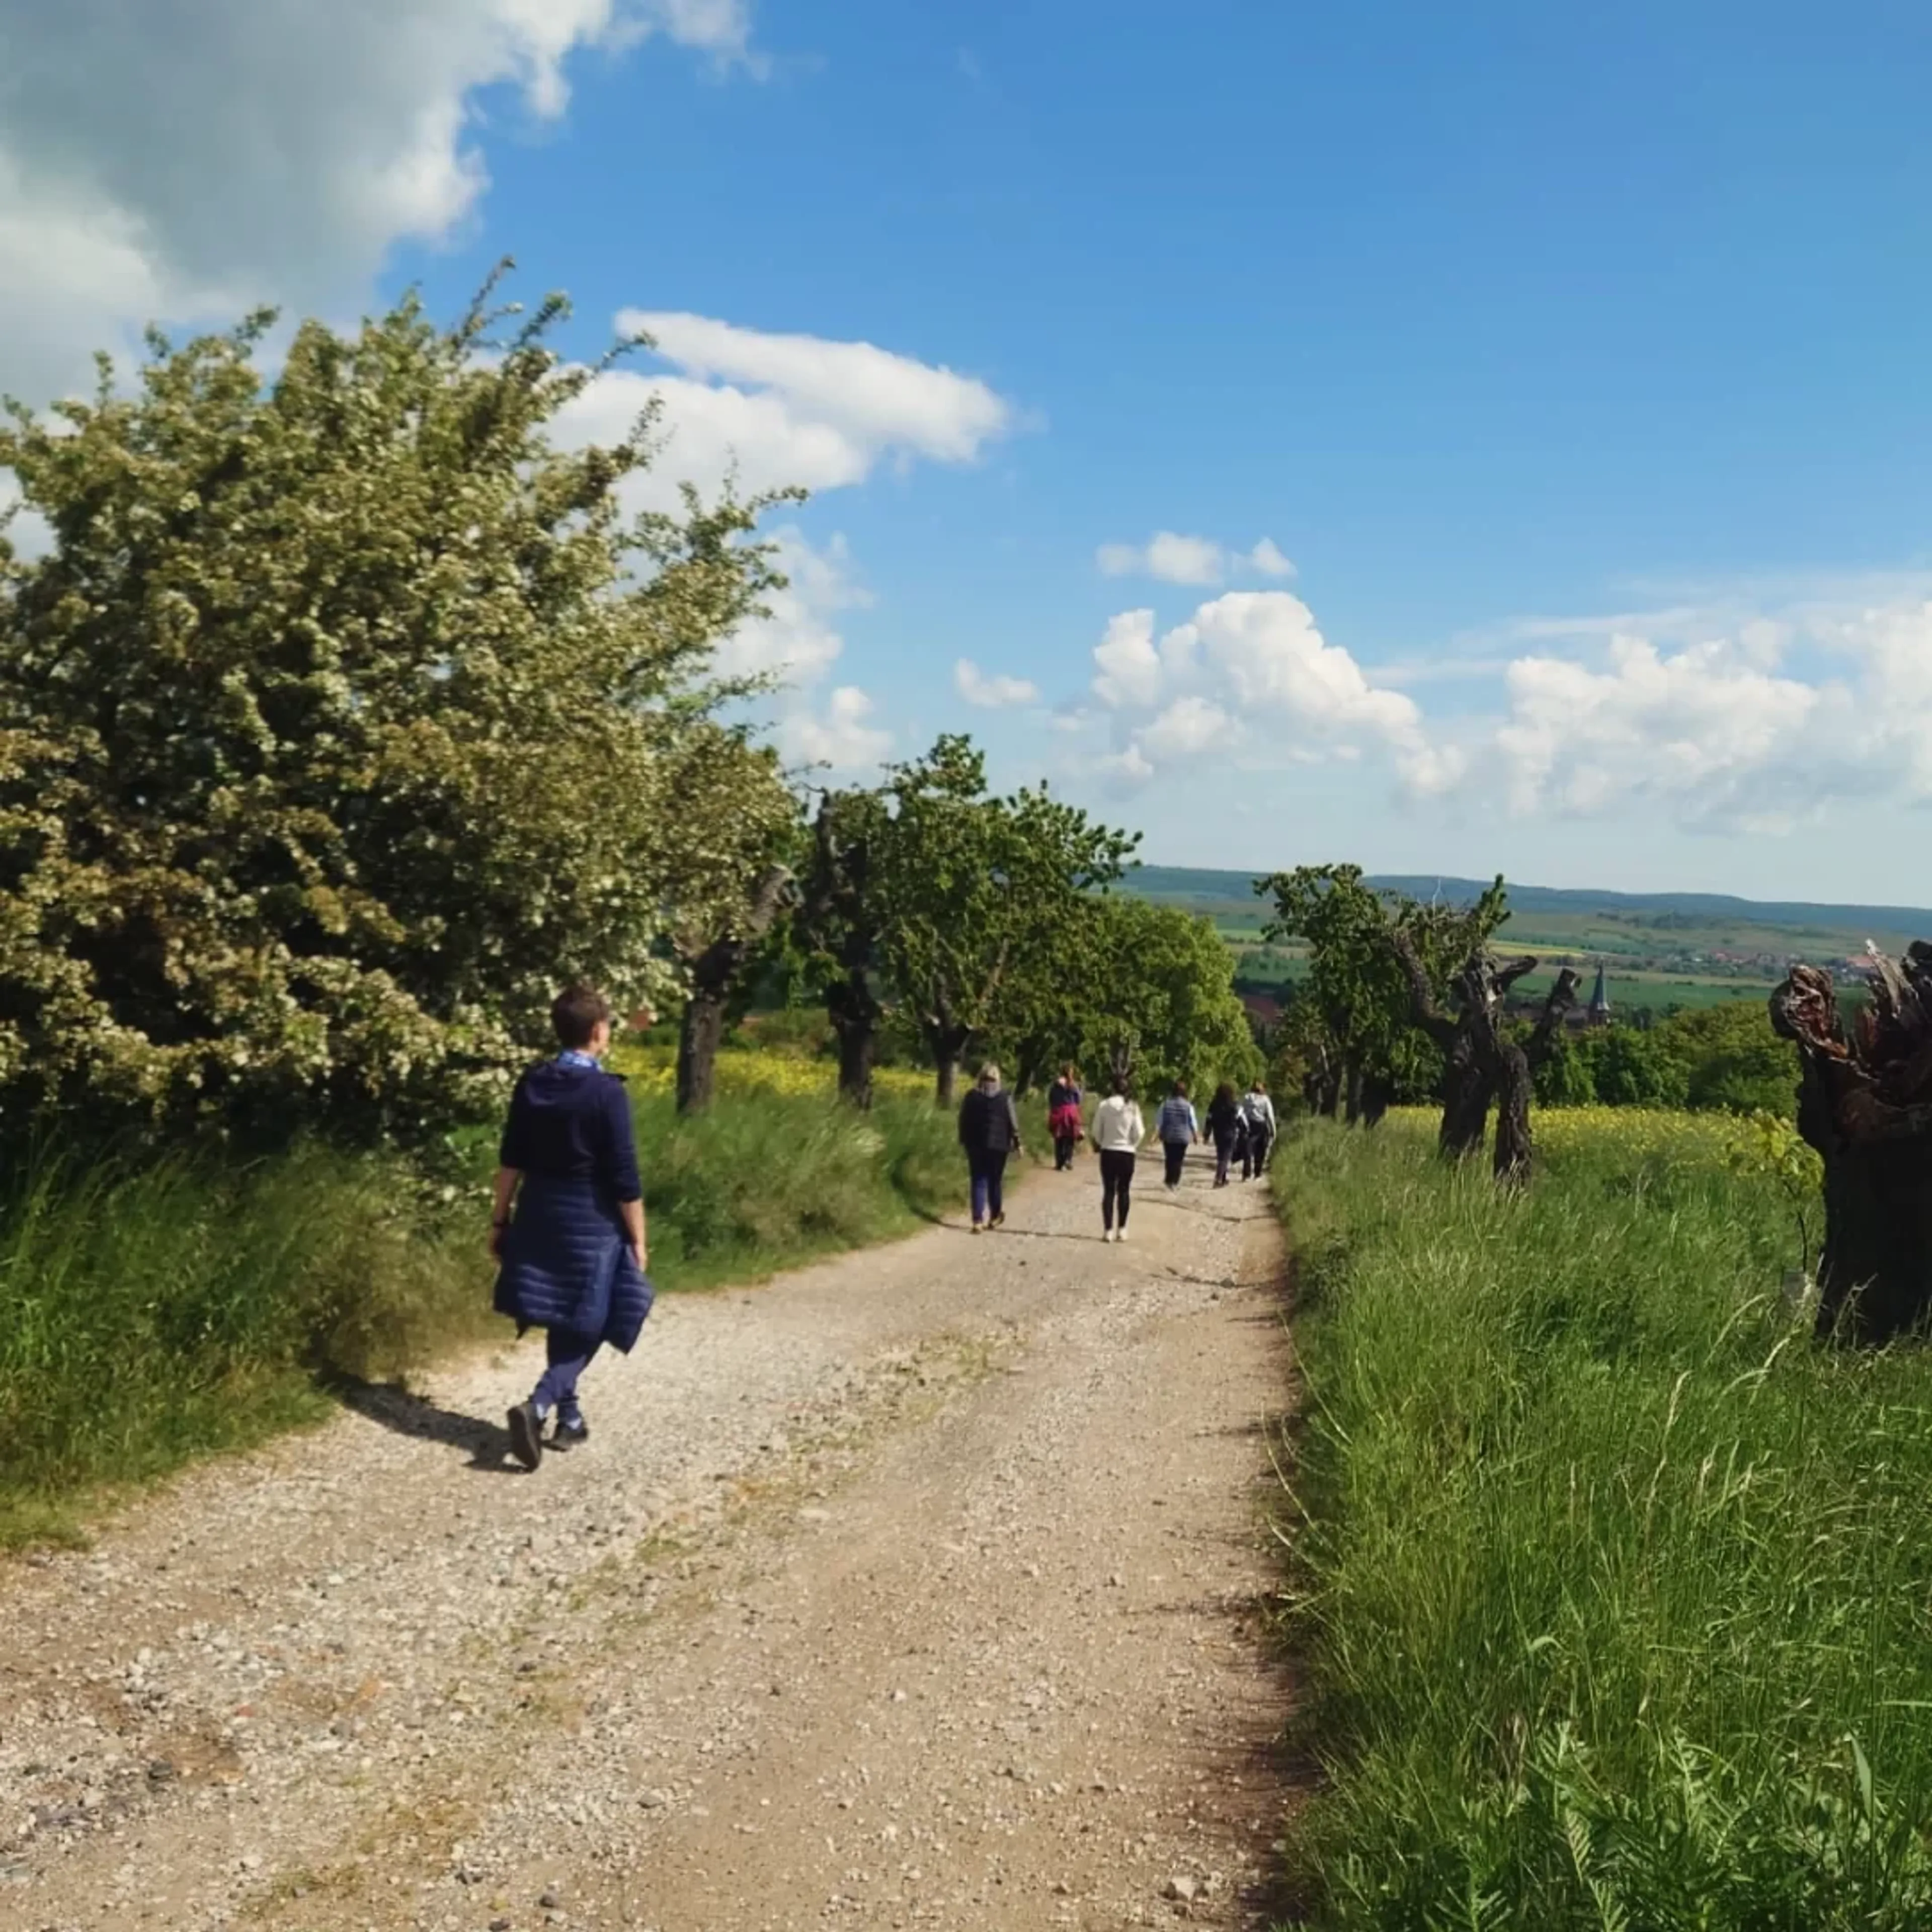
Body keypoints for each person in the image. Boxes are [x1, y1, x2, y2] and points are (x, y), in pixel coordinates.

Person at [491, 985, 654, 1473]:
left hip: (540, 1209)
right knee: (596, 1316)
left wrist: (500, 1219)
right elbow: (624, 1177)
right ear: (599, 1031)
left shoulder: (532, 1082)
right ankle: (538, 1405)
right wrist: (639, 1240)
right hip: (591, 1216)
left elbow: (510, 1159)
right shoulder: (607, 1093)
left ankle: (571, 1418)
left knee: (566, 1312)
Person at [957, 1062, 1024, 1232]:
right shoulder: (1004, 1096)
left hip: (976, 1143)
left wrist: (964, 1140)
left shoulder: (972, 1096)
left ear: (980, 1077)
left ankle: (977, 1221)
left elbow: (963, 1119)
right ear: (998, 1078)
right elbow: (1012, 1121)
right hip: (999, 1144)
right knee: (995, 1181)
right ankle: (995, 1216)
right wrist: (1018, 1143)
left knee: (979, 1181)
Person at [1089, 1075, 1145, 1242]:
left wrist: (1103, 1142)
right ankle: (1122, 1229)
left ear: (1112, 1088)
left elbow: (1096, 1130)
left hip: (1109, 1151)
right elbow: (1140, 1132)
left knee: (1108, 1191)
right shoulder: (1132, 1107)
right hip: (1127, 1152)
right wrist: (1132, 1143)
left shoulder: (1104, 1106)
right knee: (1124, 1191)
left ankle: (1108, 1230)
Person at [1155, 1079, 1198, 1189]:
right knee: (1179, 1159)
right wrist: (1195, 1136)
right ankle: (1175, 1182)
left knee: (1169, 1158)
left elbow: (1160, 1121)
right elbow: (1192, 1122)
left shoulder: (1166, 1104)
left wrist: (1156, 1134)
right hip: (1183, 1137)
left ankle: (1169, 1180)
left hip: (1168, 1136)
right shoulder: (1188, 1106)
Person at [1046, 1064, 1085, 1172]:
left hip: (1059, 1112)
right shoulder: (1074, 1085)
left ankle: (1059, 1162)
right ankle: (1068, 1160)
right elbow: (1078, 1099)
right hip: (1071, 1113)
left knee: (1059, 1138)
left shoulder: (1055, 1085)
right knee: (1070, 1138)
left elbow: (1051, 1098)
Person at [1205, 1081, 1243, 1188]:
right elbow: (1239, 1120)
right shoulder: (1234, 1105)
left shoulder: (1213, 1104)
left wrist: (1207, 1134)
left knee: (1221, 1156)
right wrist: (1243, 1132)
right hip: (1230, 1133)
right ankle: (1218, 1179)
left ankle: (1224, 1178)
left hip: (1218, 1133)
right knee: (1226, 1158)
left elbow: (1209, 1120)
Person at [1242, 1077, 1277, 1179]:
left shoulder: (1247, 1097)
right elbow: (1270, 1116)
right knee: (1260, 1150)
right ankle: (1258, 1173)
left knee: (1248, 1149)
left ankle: (1246, 1174)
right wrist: (1273, 1131)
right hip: (1261, 1125)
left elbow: (1242, 1112)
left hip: (1249, 1124)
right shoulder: (1265, 1099)